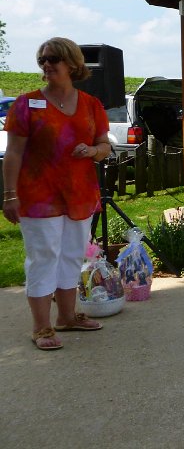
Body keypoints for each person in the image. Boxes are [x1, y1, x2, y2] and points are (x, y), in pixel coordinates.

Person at [3, 37, 111, 350]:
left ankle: (67, 316)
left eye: (54, 59)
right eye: (43, 60)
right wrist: (10, 195)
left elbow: (105, 145)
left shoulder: (91, 104)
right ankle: (42, 328)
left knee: (72, 256)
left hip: (78, 195)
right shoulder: (26, 104)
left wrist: (93, 150)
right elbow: (13, 154)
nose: (47, 65)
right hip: (38, 198)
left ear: (72, 64)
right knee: (43, 258)